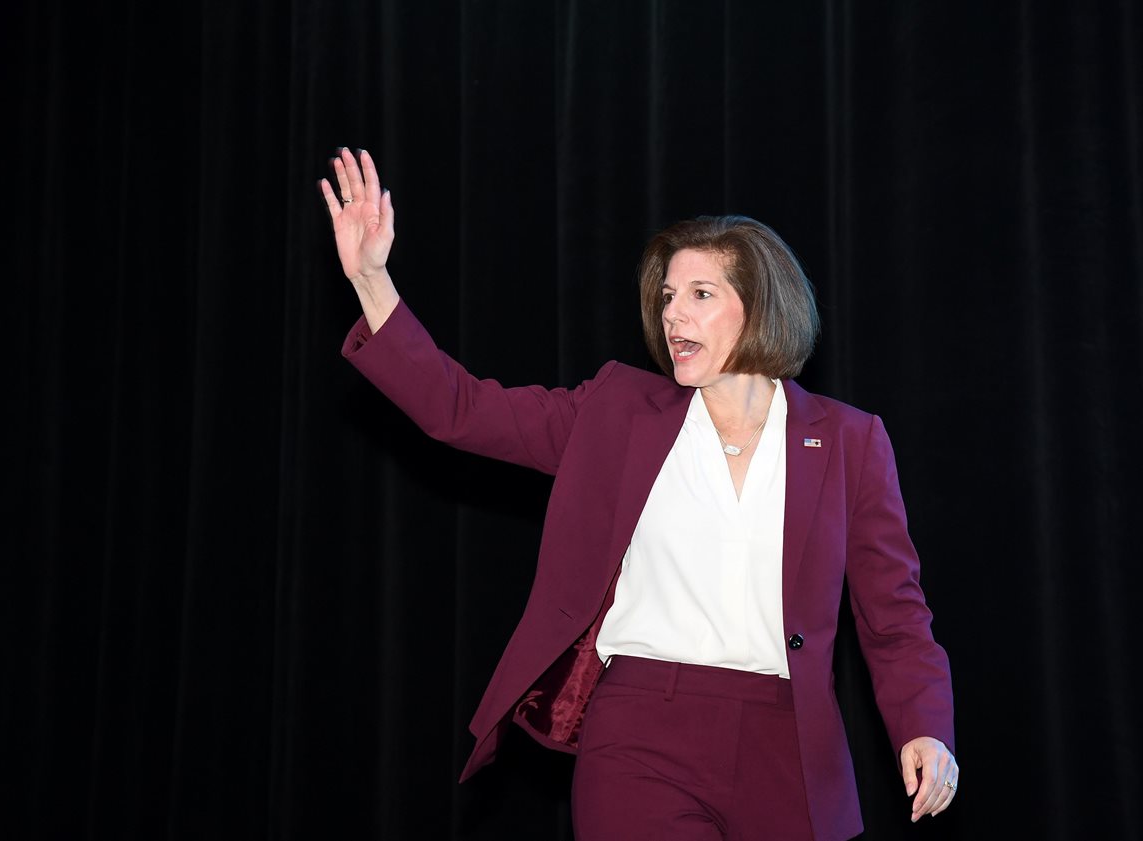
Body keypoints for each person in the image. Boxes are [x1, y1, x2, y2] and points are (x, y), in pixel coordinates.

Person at [320, 148, 958, 841]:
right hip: (641, 732)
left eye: (700, 295)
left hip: (789, 745)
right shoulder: (618, 411)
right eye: (667, 297)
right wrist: (372, 280)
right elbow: (462, 410)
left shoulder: (849, 440)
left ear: (760, 307)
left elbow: (895, 614)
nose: (673, 314)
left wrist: (924, 726)